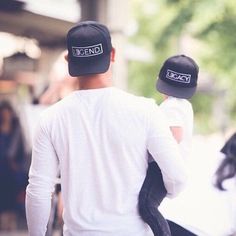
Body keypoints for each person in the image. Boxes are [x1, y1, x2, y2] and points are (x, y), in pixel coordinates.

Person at [25, 21, 188, 236]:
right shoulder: (145, 110)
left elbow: (38, 191)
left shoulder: (51, 118)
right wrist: (160, 196)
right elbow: (177, 177)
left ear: (68, 60)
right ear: (112, 54)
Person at [139, 55, 199, 236]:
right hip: (172, 164)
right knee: (147, 203)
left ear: (160, 80)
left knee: (146, 205)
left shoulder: (171, 106)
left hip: (162, 166)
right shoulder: (184, 105)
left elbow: (174, 135)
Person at [0, 100, 29, 230]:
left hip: (12, 172)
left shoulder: (17, 130)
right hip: (2, 170)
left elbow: (23, 151)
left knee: (12, 200)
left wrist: (18, 167)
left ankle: (10, 226)